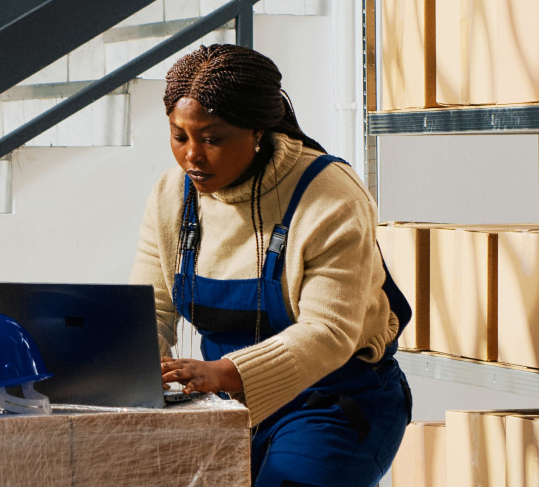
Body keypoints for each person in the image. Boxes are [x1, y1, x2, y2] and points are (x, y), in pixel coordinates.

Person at [132, 44, 412, 486]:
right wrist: (136, 364)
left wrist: (223, 371)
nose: (192, 156)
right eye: (179, 135)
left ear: (257, 131)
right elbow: (150, 308)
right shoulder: (172, 196)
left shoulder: (330, 196)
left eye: (212, 138)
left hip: (333, 401)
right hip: (225, 404)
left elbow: (328, 332)